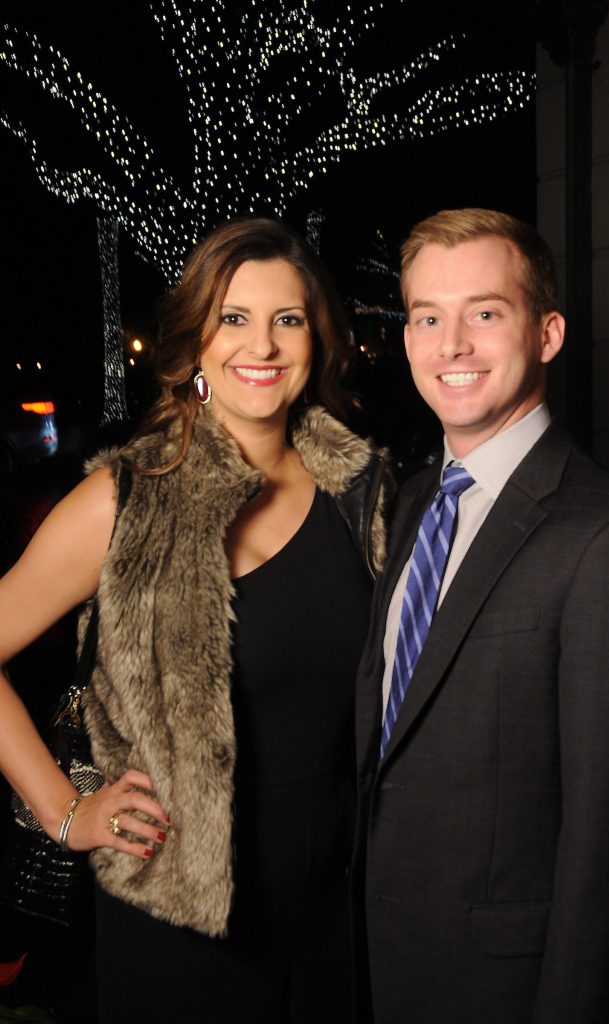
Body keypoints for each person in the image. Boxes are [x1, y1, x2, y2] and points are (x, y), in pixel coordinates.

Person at [0, 218, 390, 1023]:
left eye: (288, 319)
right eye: (234, 318)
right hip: (177, 920)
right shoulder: (124, 501)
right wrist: (65, 812)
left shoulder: (363, 496)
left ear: (316, 339)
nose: (263, 345)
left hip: (340, 909)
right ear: (196, 345)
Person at [353, 208, 609, 1024]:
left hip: (507, 992)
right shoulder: (416, 500)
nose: (452, 345)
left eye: (486, 313)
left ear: (547, 334)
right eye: (429, 318)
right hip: (383, 967)